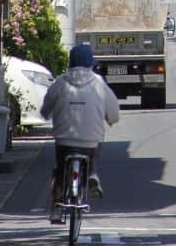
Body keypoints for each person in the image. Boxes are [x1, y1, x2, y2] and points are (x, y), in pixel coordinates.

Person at [40, 43, 120, 224]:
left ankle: (58, 208)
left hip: (64, 140)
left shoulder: (60, 82)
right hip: (91, 141)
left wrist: (46, 114)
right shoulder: (99, 83)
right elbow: (113, 112)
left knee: (60, 170)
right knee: (93, 143)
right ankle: (92, 172)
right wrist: (111, 120)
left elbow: (46, 107)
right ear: (90, 64)